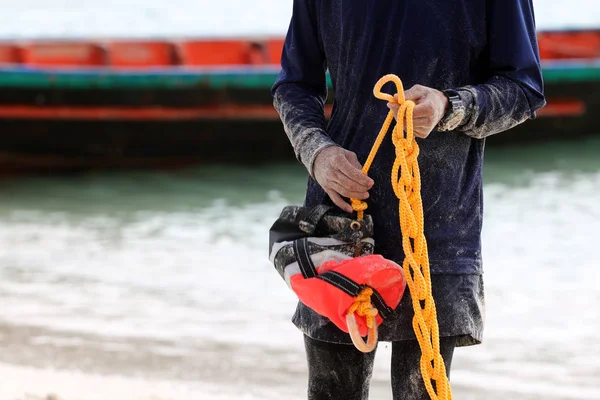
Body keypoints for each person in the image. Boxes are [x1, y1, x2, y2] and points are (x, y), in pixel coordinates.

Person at [271, 1, 546, 399]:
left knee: (422, 390)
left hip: (437, 225)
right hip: (338, 219)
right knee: (331, 392)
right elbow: (295, 85)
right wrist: (317, 152)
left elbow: (524, 88)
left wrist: (450, 106)